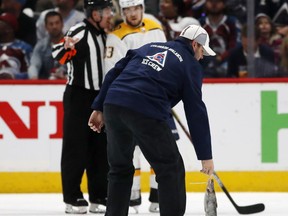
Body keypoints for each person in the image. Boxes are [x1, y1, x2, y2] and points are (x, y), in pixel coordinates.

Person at [88, 24, 215, 216]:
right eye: (202, 51)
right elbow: (195, 111)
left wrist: (99, 106)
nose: (202, 57)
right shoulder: (190, 65)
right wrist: (206, 156)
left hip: (114, 104)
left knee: (120, 169)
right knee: (171, 168)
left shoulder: (150, 47)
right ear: (195, 44)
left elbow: (114, 73)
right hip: (145, 110)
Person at [104, 0, 178, 212]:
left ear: (142, 9)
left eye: (136, 8)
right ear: (123, 11)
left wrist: (165, 92)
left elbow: (167, 59)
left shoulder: (155, 26)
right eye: (128, 10)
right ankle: (132, 197)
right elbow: (112, 73)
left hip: (155, 100)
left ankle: (158, 195)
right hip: (130, 100)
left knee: (160, 148)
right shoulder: (116, 35)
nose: (133, 13)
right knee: (131, 148)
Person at [51, 0, 114, 214]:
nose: (110, 15)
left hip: (100, 96)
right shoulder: (80, 29)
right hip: (78, 95)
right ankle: (72, 196)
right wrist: (66, 47)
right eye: (106, 11)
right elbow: (57, 55)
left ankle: (98, 194)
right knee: (75, 147)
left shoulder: (107, 34)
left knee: (100, 147)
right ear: (94, 14)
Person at [199, 0, 241, 77]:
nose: (214, 4)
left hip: (228, 61)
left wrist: (222, 57)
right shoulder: (200, 22)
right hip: (205, 63)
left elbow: (236, 45)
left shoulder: (232, 22)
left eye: (218, 1)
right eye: (211, 2)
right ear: (206, 3)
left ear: (224, 4)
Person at [28, 11, 66, 80]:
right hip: (47, 84)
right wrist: (34, 79)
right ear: (46, 27)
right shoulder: (40, 46)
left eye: (57, 23)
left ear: (62, 24)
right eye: (51, 24)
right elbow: (34, 65)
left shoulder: (73, 44)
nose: (54, 26)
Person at [0, 12, 32, 79]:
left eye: (0, 23)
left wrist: (14, 76)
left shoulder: (24, 47)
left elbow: (31, 72)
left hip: (17, 87)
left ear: (8, 29)